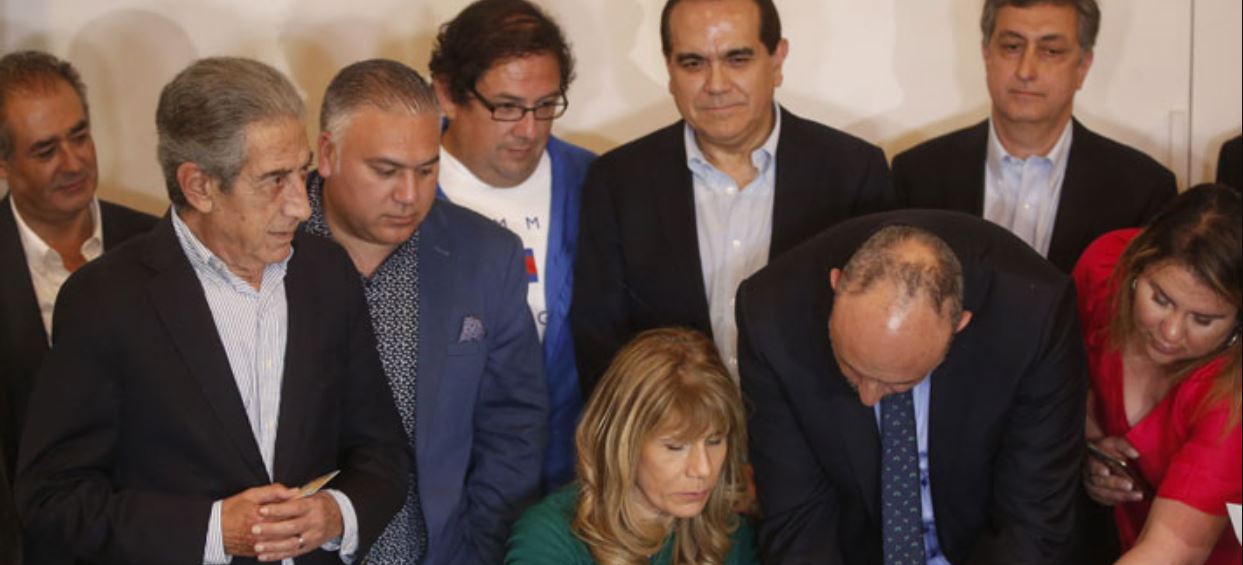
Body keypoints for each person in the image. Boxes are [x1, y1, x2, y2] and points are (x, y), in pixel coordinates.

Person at [15, 57, 408, 565]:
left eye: (303, 172)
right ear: (199, 185)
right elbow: (53, 499)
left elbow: (383, 454)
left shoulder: (326, 275)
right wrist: (212, 531)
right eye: (274, 180)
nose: (300, 203)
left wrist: (335, 514)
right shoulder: (107, 300)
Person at [736, 211, 1086, 565]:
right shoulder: (771, 310)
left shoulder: (1033, 314)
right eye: (851, 368)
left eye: (897, 384)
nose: (867, 397)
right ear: (836, 287)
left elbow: (1034, 523)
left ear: (959, 326)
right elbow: (797, 513)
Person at [304, 59, 547, 565]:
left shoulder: (483, 257)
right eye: (385, 171)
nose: (410, 194)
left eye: (426, 169)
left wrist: (473, 564)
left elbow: (514, 424)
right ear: (326, 154)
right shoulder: (269, 243)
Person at [992, 184, 1241, 565]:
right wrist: (1087, 441)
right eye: (1160, 299)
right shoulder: (1104, 266)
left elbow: (1170, 550)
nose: (1171, 332)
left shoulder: (1232, 395)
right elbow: (1062, 372)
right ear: (1137, 269)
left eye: (1204, 320)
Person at [572, 0, 892, 394]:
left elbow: (876, 334)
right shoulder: (617, 182)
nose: (717, 84)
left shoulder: (854, 173)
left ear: (777, 60)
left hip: (809, 431)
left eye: (737, 59)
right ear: (669, 70)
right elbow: (599, 341)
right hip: (667, 429)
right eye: (693, 63)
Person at [0, 49, 156, 565]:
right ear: (4, 164)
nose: (72, 162)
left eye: (79, 135)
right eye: (45, 150)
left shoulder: (159, 246)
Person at [501, 328, 762, 565]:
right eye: (676, 446)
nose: (702, 469)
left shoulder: (725, 534)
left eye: (715, 441)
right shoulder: (548, 538)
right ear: (624, 443)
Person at [431, 0, 595, 491]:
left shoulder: (594, 183)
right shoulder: (405, 195)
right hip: (448, 495)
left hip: (574, 490)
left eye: (545, 106)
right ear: (447, 94)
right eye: (506, 107)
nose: (529, 129)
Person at [892, 0, 1176, 274]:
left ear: (1083, 67)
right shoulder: (916, 176)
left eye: (1051, 51)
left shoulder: (1143, 191)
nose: (1026, 71)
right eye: (1012, 47)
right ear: (987, 55)